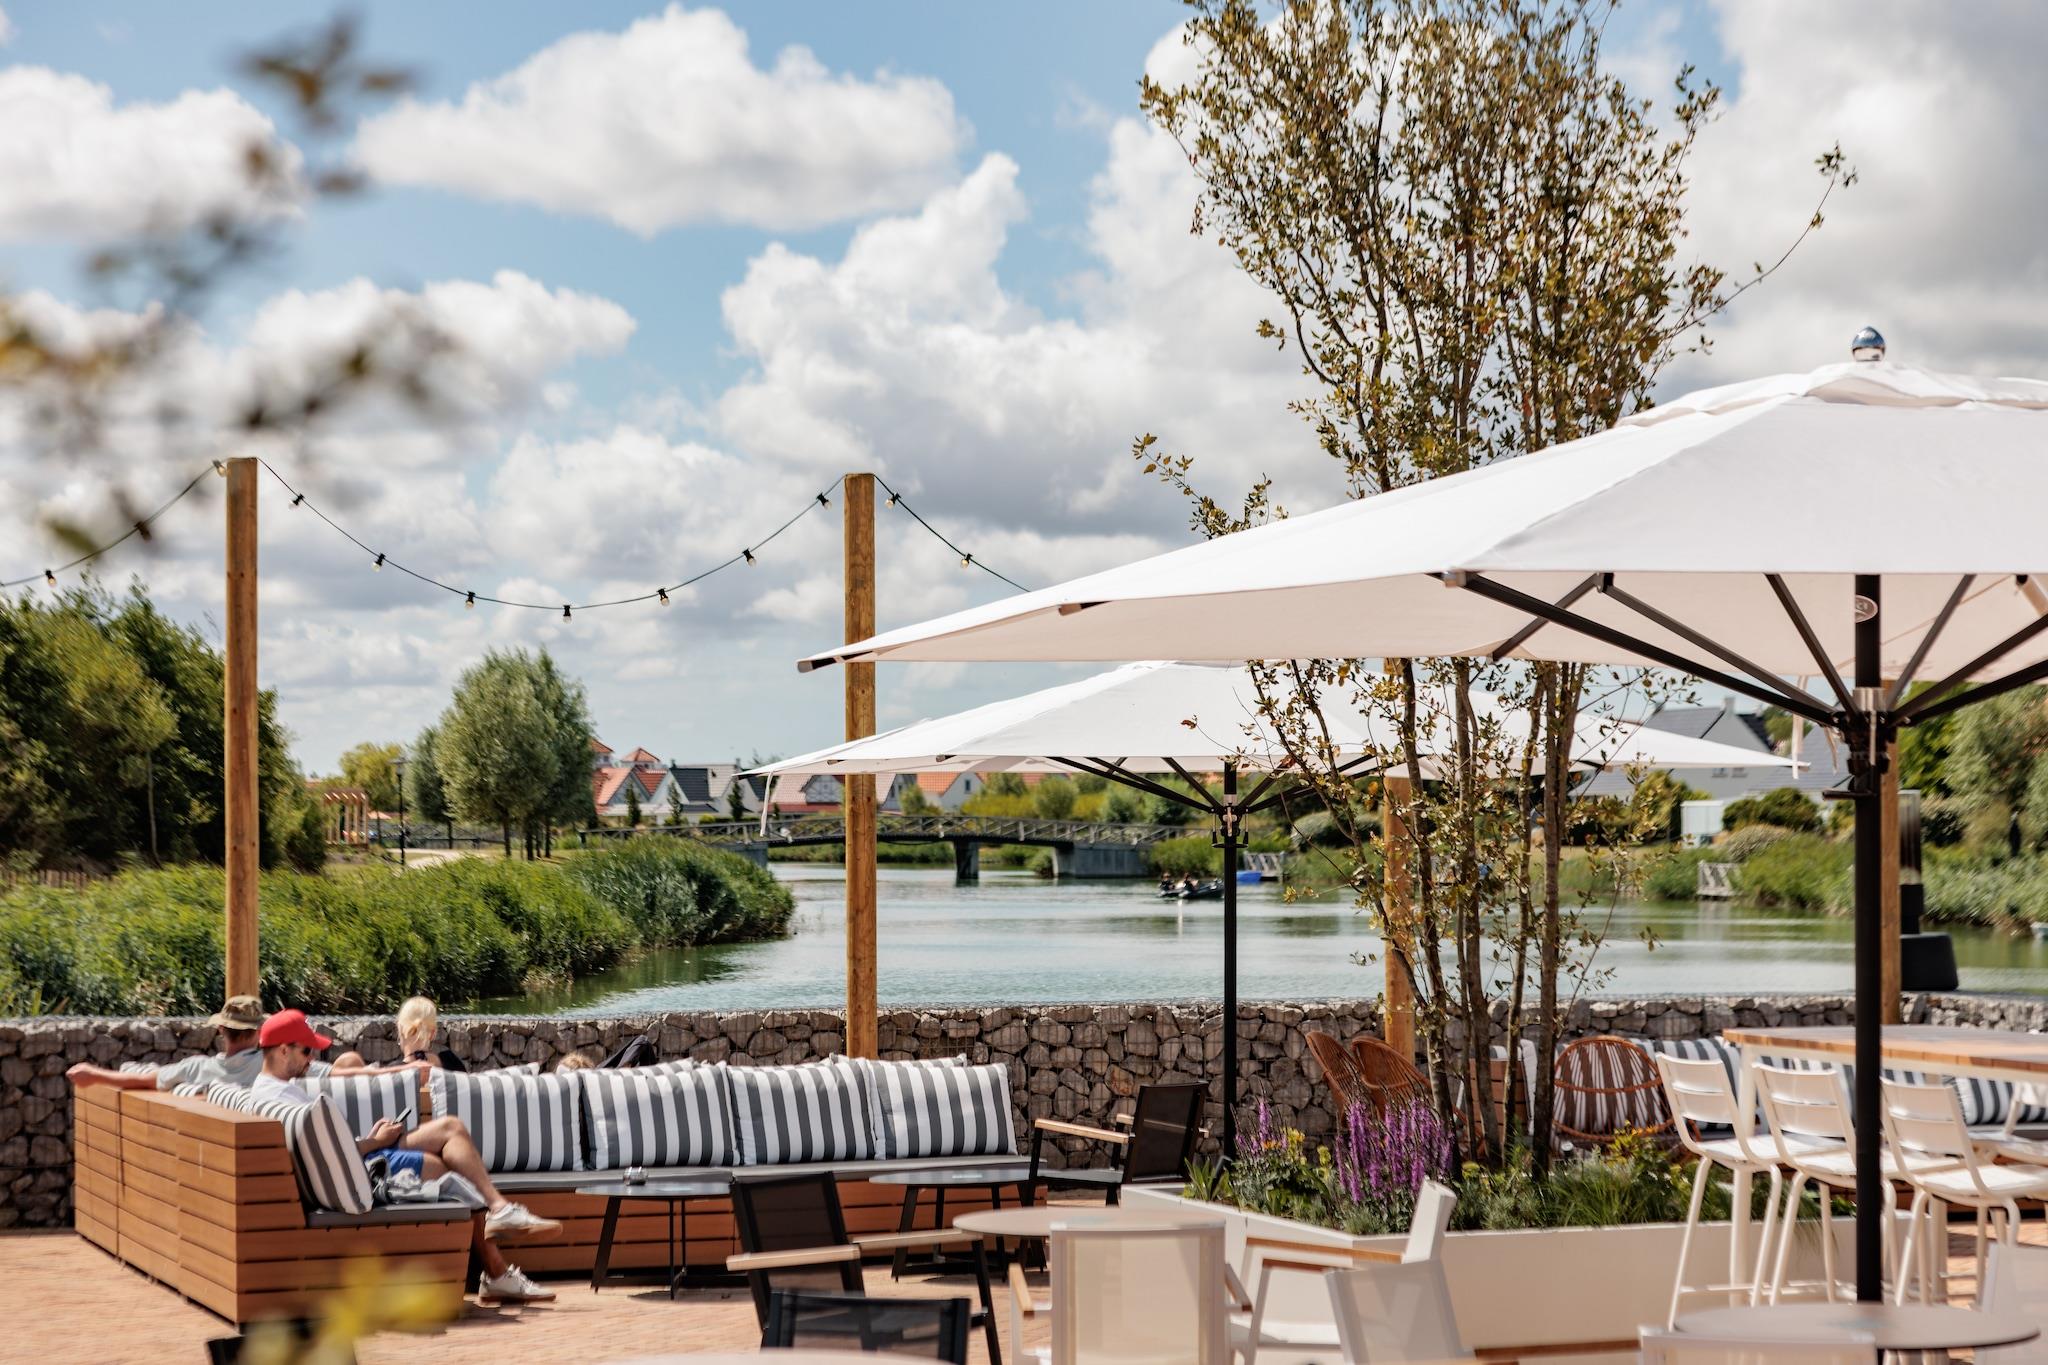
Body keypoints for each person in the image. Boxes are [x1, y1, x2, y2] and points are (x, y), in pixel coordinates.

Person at [253, 1010, 559, 1305]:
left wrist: (371, 1139)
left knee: (451, 1134)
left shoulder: (270, 1091)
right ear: (283, 1050)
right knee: (446, 1158)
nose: (312, 1059)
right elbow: (329, 1155)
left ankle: (498, 1236)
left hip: (358, 1160)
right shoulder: (281, 1097)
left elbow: (327, 1149)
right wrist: (374, 1142)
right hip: (364, 1169)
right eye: (307, 1051)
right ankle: (497, 1249)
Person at [65, 994, 393, 1091]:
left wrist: (93, 1074)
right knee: (350, 1060)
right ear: (259, 1033)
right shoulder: (270, 1067)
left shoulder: (196, 1069)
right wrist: (395, 1071)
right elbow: (344, 1075)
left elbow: (142, 1080)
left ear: (222, 1030)